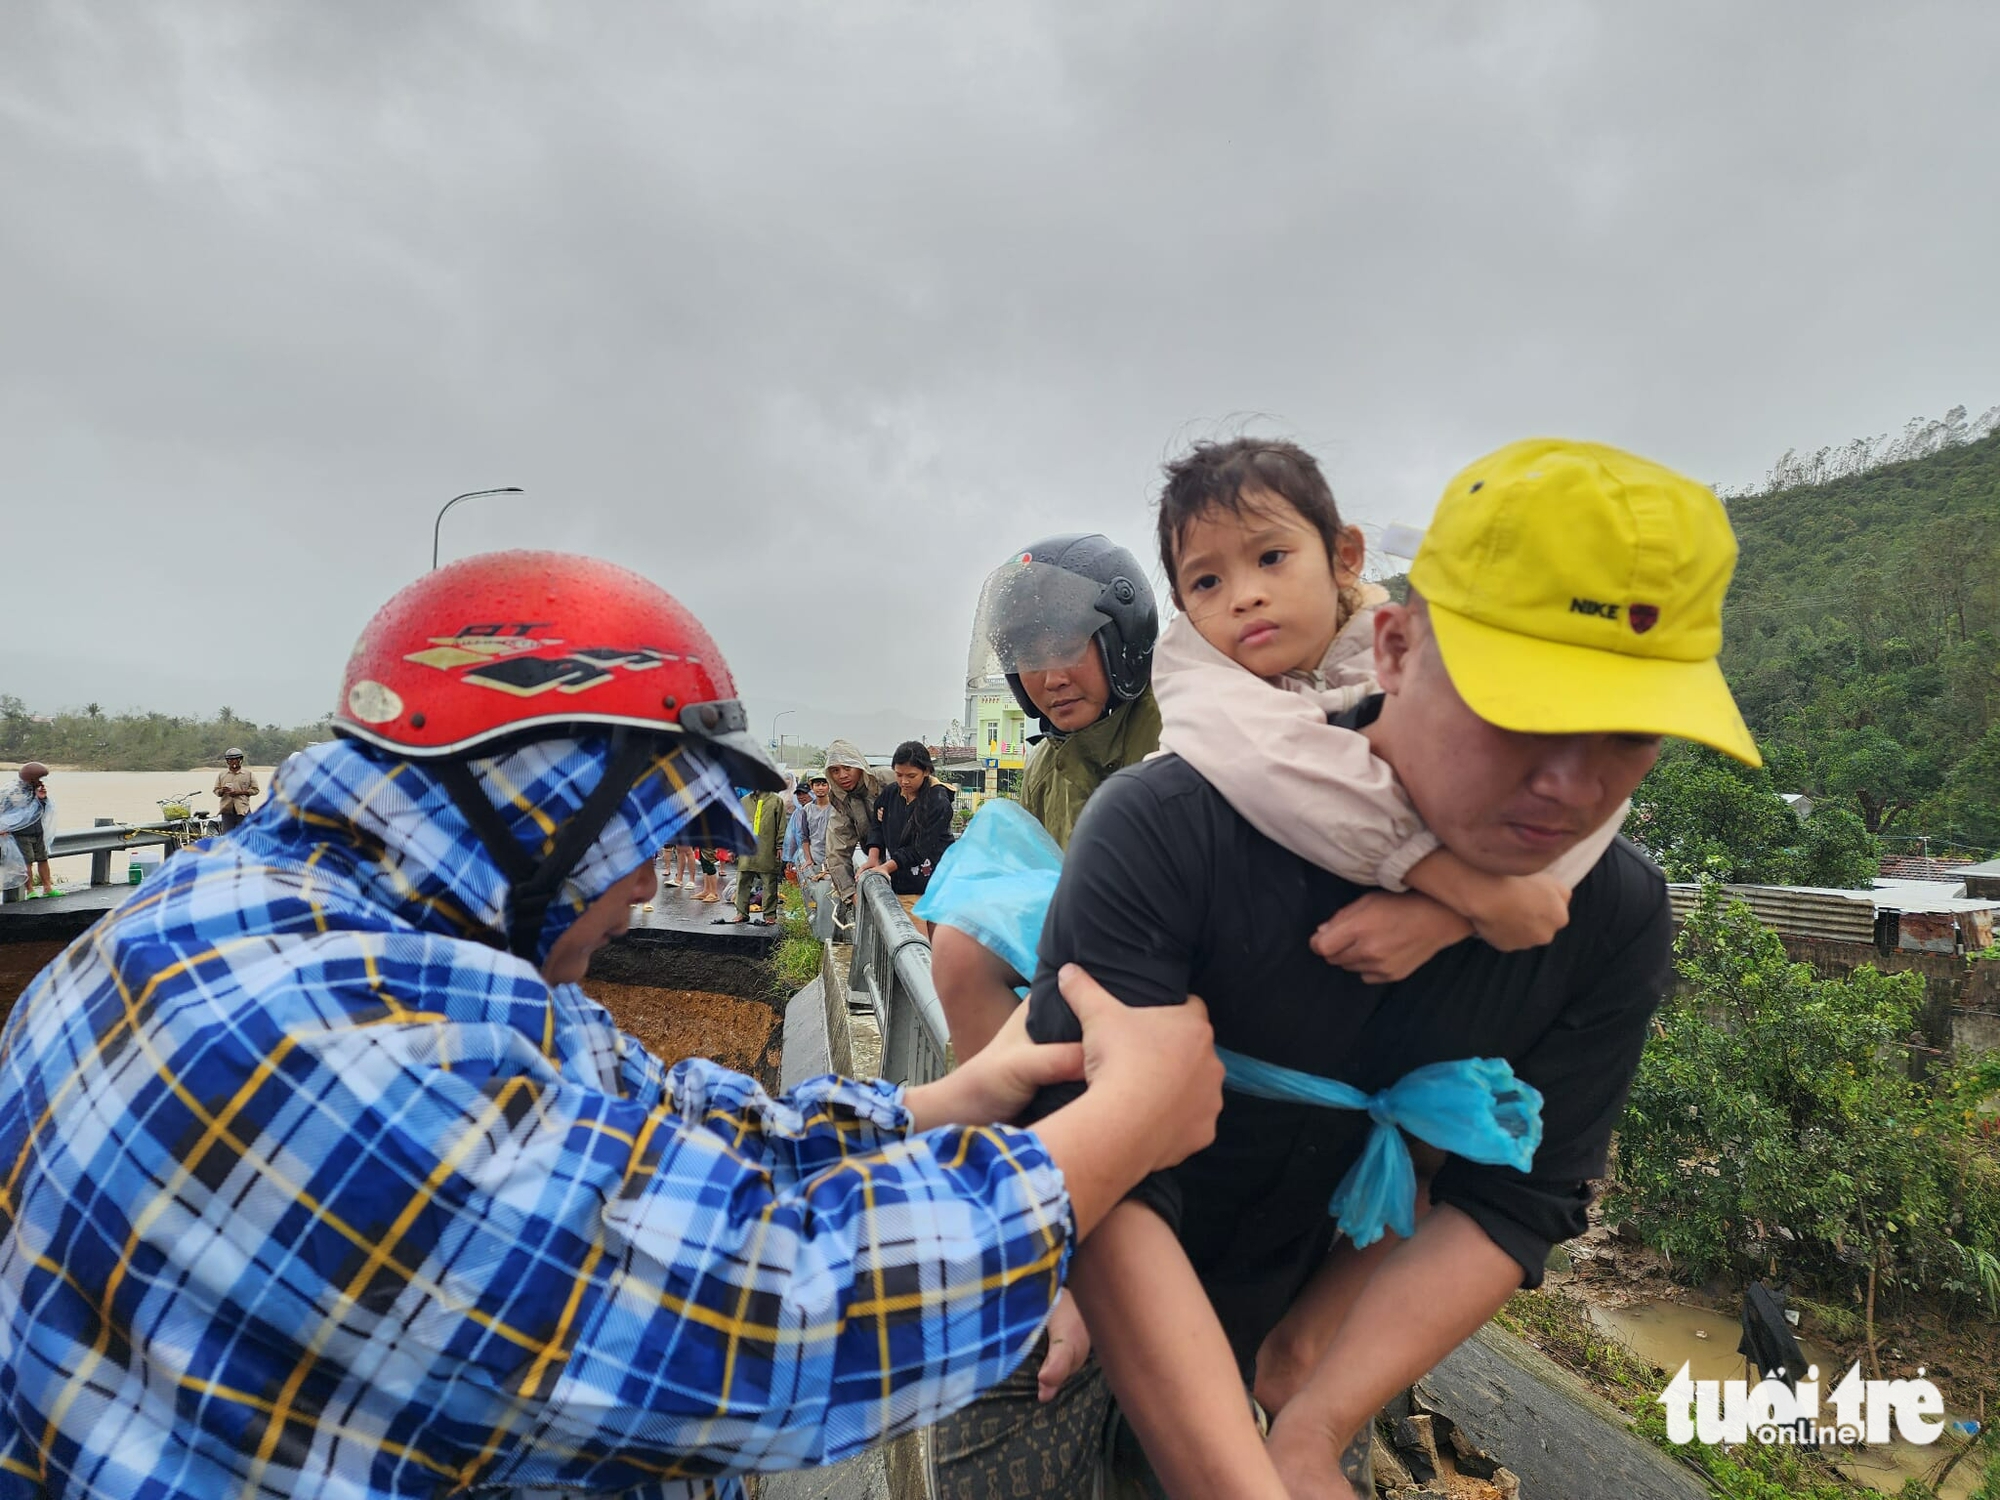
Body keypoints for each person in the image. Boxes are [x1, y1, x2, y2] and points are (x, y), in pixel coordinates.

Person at [0, 550, 1230, 1499]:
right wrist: (1122, 1125)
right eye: (643, 837)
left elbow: (639, 1126)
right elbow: (768, 1319)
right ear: (542, 798)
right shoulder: (314, 1038)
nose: (649, 887)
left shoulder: (319, 922)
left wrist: (950, 1096)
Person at [952, 438, 1763, 1498]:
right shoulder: (1167, 825)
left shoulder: (1609, 915)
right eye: (1518, 711)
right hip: (1073, 1249)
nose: (1570, 785)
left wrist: (1315, 1412)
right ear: (1390, 648)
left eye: (1628, 732)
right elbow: (1101, 1156)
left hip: (1314, 1313)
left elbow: (1515, 1200)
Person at [927, 536, 1163, 1057]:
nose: (1052, 678)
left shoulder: (1184, 733)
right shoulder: (1045, 763)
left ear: (1122, 639)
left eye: (1071, 646)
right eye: (1031, 654)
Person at [862, 740, 955, 935]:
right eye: (899, 775)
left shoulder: (938, 801)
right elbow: (877, 826)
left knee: (925, 955)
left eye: (911, 776)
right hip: (905, 886)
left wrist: (886, 867)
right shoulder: (891, 793)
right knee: (919, 948)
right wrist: (873, 858)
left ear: (926, 772)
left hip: (938, 883)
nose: (904, 781)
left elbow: (920, 849)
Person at [822, 738, 887, 939]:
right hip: (877, 861)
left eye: (848, 767)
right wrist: (851, 894)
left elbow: (929, 786)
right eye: (835, 771)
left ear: (859, 765)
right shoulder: (842, 801)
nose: (842, 775)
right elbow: (836, 850)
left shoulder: (887, 779)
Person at [727, 778, 789, 925]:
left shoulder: (776, 801)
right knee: (742, 881)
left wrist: (780, 846)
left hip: (767, 849)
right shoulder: (743, 802)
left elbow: (781, 825)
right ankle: (741, 913)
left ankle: (769, 915)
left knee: (769, 882)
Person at [0, 764, 55, 899]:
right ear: (32, 778)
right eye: (40, 778)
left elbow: (40, 811)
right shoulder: (13, 792)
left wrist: (42, 798)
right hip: (22, 833)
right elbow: (7, 812)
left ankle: (48, 888)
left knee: (43, 859)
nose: (42, 781)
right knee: (27, 862)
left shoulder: (36, 791)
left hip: (38, 831)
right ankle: (30, 891)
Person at [212, 747, 260, 833]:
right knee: (227, 836)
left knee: (244, 834)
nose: (233, 762)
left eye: (236, 759)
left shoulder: (248, 774)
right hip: (227, 810)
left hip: (243, 809)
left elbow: (255, 790)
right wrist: (222, 790)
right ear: (227, 761)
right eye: (230, 760)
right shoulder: (222, 774)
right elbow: (216, 790)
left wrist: (240, 792)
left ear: (240, 760)